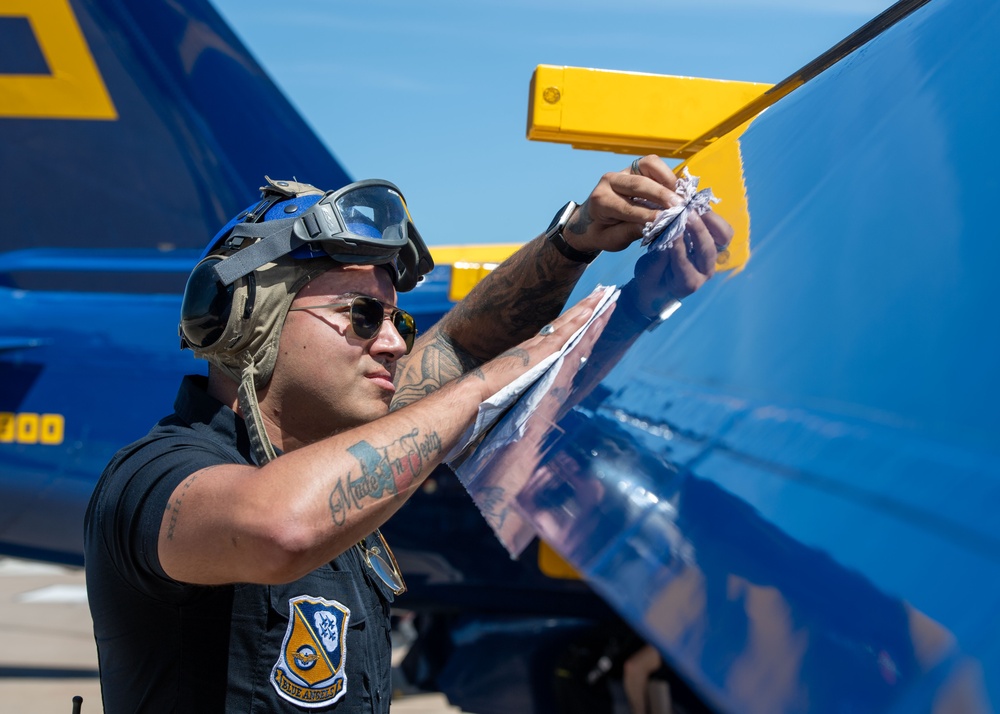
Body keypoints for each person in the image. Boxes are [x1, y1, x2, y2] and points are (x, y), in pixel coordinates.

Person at [84, 155, 733, 712]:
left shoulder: (340, 468)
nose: (394, 343)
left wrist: (586, 253)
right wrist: (485, 386)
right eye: (363, 315)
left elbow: (465, 346)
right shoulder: (153, 476)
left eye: (401, 323)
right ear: (253, 319)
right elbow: (276, 527)